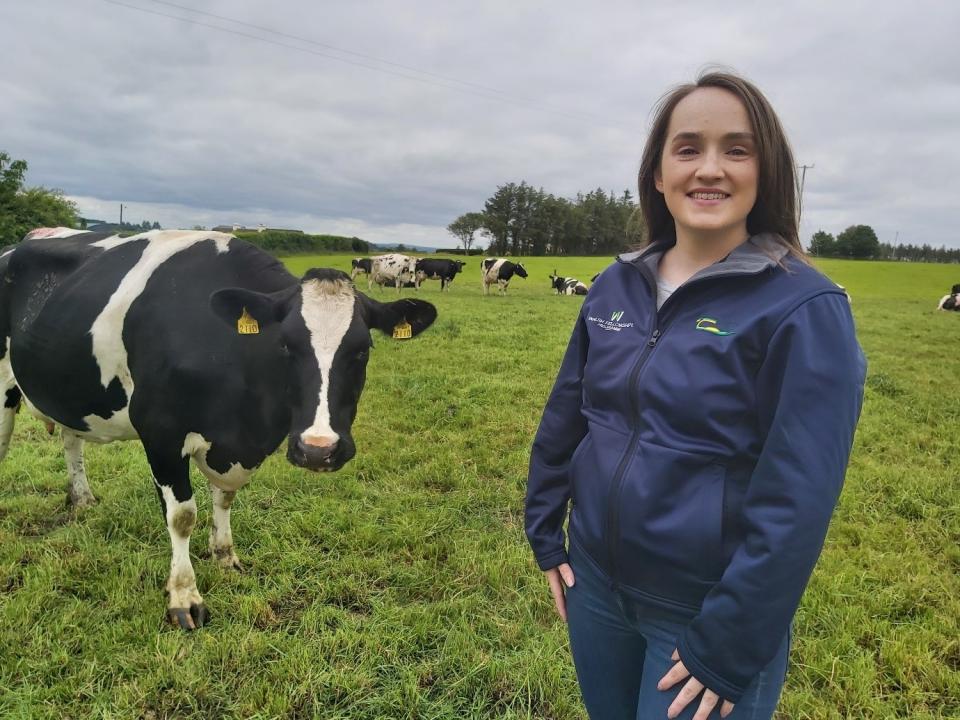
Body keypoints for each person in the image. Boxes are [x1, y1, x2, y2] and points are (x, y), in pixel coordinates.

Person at [524, 70, 866, 720]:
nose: (710, 168)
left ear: (767, 173)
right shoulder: (613, 287)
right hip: (595, 587)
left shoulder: (805, 308)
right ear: (657, 172)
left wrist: (730, 644)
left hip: (703, 611)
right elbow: (569, 415)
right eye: (688, 148)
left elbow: (798, 499)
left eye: (736, 149)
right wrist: (545, 530)